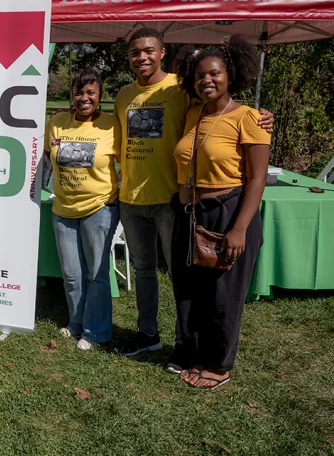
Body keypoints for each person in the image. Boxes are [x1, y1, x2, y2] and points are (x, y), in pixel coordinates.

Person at [113, 28, 273, 357]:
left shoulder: (181, 87)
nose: (141, 57)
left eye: (148, 50)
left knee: (184, 278)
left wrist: (263, 116)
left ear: (162, 53)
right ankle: (150, 337)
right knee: (151, 272)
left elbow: (224, 108)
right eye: (135, 52)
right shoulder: (124, 95)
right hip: (133, 199)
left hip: (173, 201)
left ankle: (190, 347)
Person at [170, 35, 269, 389]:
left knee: (223, 293)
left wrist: (240, 228)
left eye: (214, 74)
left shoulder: (249, 118)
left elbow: (258, 178)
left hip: (229, 211)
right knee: (191, 289)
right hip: (190, 211)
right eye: (199, 76)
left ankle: (218, 364)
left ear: (232, 75)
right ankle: (193, 352)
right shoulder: (193, 113)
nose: (206, 81)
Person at [45, 70, 121, 350]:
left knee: (96, 274)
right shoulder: (56, 122)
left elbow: (128, 162)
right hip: (63, 208)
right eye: (79, 92)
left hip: (99, 207)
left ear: (99, 96)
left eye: (90, 92)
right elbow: (45, 156)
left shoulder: (112, 125)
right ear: (72, 95)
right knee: (71, 272)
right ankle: (76, 322)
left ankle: (96, 332)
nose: (84, 98)